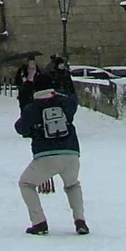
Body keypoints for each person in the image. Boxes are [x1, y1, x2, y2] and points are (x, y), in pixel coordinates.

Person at [14, 71, 89, 236]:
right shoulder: (64, 102)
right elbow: (74, 100)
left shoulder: (32, 108)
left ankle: (39, 222)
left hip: (45, 156)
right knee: (72, 185)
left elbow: (20, 128)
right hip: (71, 152)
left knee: (26, 183)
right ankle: (80, 221)